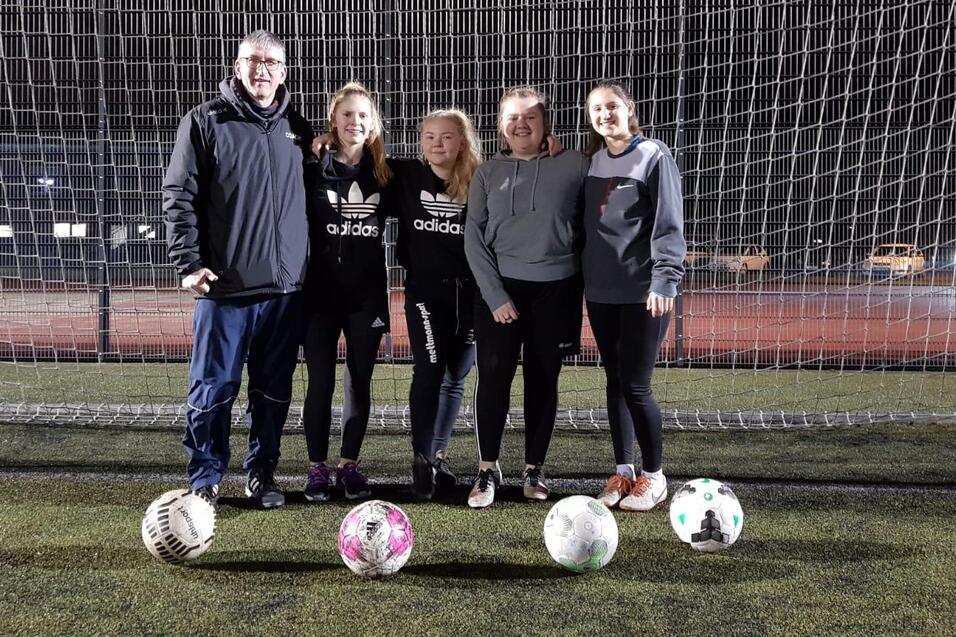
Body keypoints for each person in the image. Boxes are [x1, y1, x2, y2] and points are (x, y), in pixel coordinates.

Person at [163, 30, 313, 509]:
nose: (261, 70)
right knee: (213, 389)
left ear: (283, 72)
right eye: (253, 60)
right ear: (237, 65)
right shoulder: (205, 120)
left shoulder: (299, 127)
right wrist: (189, 263)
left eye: (271, 63)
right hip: (225, 288)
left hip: (285, 291)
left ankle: (261, 474)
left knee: (273, 392)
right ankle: (205, 478)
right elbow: (179, 196)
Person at [464, 87, 589, 509]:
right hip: (501, 291)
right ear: (501, 127)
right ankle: (487, 470)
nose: (521, 125)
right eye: (512, 118)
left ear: (546, 124)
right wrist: (494, 294)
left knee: (543, 380)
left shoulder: (574, 164)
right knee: (493, 378)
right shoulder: (487, 173)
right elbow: (473, 238)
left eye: (530, 117)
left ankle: (534, 469)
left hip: (557, 290)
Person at [583, 80, 686, 512]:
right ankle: (623, 473)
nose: (604, 114)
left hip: (644, 292)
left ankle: (654, 476)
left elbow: (668, 221)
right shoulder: (591, 162)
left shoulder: (654, 155)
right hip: (600, 291)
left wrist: (664, 279)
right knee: (614, 381)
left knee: (636, 384)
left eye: (611, 106)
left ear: (630, 108)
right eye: (596, 109)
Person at [301, 82, 392, 503]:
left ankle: (348, 465)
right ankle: (317, 468)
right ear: (333, 121)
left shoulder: (386, 174)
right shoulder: (312, 169)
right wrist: (314, 147)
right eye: (347, 114)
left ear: (373, 124)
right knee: (319, 382)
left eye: (363, 115)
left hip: (366, 297)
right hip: (319, 295)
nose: (355, 121)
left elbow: (441, 173)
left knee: (359, 381)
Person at [386, 110, 482, 500]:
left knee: (456, 377)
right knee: (429, 370)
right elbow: (358, 160)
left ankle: (438, 456)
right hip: (426, 292)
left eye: (446, 137)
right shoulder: (406, 176)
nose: (437, 144)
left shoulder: (481, 180)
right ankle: (421, 461)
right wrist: (328, 143)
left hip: (472, 294)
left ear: (462, 141)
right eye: (429, 137)